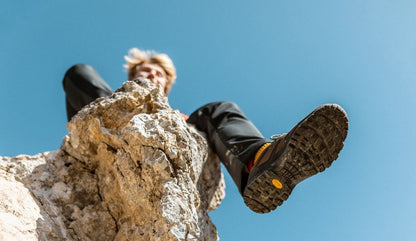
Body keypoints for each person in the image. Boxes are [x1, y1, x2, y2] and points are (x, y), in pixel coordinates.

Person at [62, 48, 348, 214]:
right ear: (133, 76)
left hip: (170, 144)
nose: (152, 75)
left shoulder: (185, 121)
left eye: (158, 74)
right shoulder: (106, 93)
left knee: (217, 110)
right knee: (79, 72)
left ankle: (259, 161)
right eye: (146, 71)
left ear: (167, 86)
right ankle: (111, 117)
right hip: (105, 131)